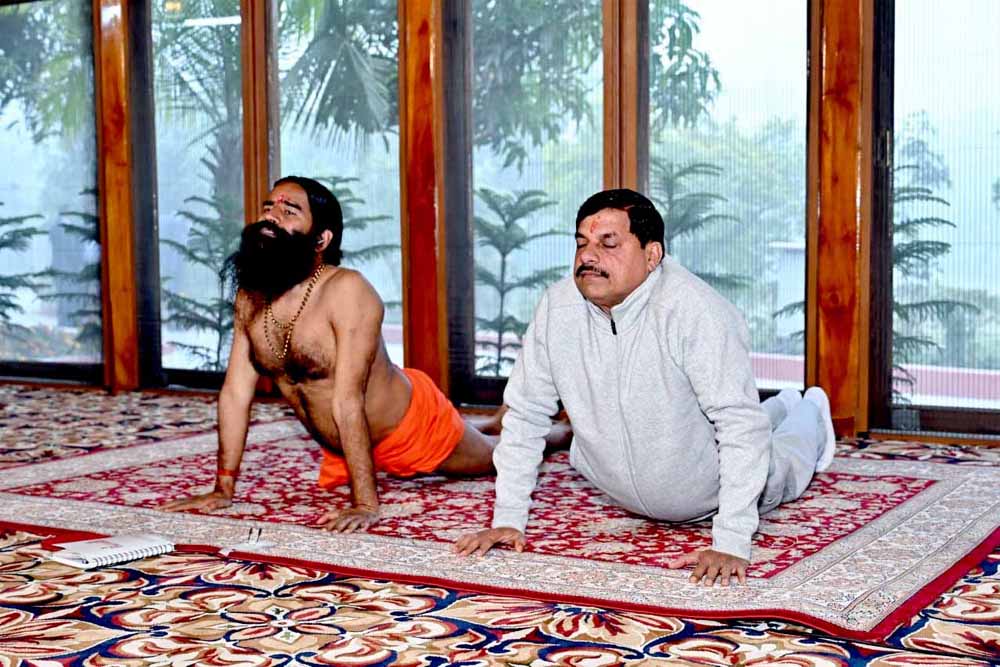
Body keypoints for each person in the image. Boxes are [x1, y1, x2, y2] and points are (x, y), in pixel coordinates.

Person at [454, 188, 836, 587]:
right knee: (745, 413)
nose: (588, 257)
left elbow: (740, 424)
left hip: (709, 487)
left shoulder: (697, 312)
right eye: (582, 243)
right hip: (634, 477)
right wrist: (508, 518)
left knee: (783, 456)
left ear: (652, 256)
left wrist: (732, 540)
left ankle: (809, 408)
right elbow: (526, 413)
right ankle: (781, 404)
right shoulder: (557, 308)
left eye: (608, 244)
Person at [163, 176, 568, 532]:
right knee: (484, 434)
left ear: (321, 240)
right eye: (268, 207)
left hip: (409, 425)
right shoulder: (251, 296)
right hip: (348, 438)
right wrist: (223, 486)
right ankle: (492, 420)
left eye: (289, 211)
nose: (271, 216)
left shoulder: (347, 290)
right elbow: (235, 393)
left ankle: (561, 432)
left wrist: (365, 503)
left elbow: (348, 399)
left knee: (498, 457)